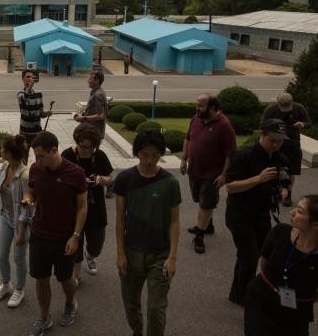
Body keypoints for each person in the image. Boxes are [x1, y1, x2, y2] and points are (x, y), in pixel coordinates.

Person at [115, 130, 181, 336]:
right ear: (136, 152)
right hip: (132, 250)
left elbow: (175, 221)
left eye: (155, 155)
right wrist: (120, 253)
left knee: (156, 308)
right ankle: (137, 331)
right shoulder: (125, 179)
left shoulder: (170, 183)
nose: (150, 160)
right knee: (131, 303)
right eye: (145, 154)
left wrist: (172, 257)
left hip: (160, 253)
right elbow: (119, 219)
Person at [23, 131, 87, 336]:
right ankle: (44, 317)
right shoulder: (36, 169)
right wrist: (28, 199)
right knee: (41, 278)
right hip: (39, 233)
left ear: (54, 150)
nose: (38, 160)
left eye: (41, 155)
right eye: (35, 156)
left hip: (64, 237)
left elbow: (82, 207)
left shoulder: (75, 173)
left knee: (65, 278)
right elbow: (31, 189)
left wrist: (75, 236)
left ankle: (70, 302)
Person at [225, 118, 291, 306]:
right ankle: (241, 296)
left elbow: (286, 183)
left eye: (280, 141)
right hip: (240, 214)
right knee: (249, 257)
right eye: (273, 140)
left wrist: (283, 192)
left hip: (262, 214)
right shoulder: (243, 156)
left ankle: (247, 290)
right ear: (261, 135)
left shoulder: (280, 158)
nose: (276, 144)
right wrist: (259, 179)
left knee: (264, 254)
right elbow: (230, 186)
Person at [243, 195, 318, 336]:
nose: (292, 212)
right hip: (260, 300)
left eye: (300, 211)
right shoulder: (280, 232)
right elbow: (264, 262)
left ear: (316, 225)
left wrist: (300, 298)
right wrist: (274, 286)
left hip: (297, 312)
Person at [180, 94, 237, 254]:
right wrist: (184, 159)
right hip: (194, 170)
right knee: (199, 199)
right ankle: (208, 224)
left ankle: (200, 236)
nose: (197, 108)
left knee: (206, 203)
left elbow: (230, 154)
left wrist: (224, 175)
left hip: (212, 174)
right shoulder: (196, 119)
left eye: (201, 106)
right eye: (196, 105)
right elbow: (187, 139)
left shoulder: (224, 125)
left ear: (212, 108)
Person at [61, 123, 114, 285]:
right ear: (77, 141)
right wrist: (76, 182)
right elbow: (59, 178)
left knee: (97, 243)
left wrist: (102, 180)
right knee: (76, 240)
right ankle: (76, 275)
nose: (86, 150)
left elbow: (111, 177)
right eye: (83, 146)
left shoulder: (100, 156)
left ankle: (91, 256)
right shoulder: (67, 155)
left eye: (90, 148)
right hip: (73, 208)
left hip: (96, 208)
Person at [0, 134, 32, 308]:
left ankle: (19, 289)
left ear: (10, 153)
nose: (0, 151)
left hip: (20, 221)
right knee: (1, 254)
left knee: (19, 258)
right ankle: (6, 284)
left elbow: (28, 207)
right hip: (5, 216)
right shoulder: (5, 166)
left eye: (2, 149)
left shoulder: (25, 176)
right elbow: (7, 190)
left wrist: (21, 232)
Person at [260, 93, 311, 207]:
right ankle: (274, 191)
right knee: (273, 168)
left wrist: (302, 124)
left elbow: (308, 123)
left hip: (293, 143)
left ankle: (288, 194)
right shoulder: (271, 109)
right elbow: (262, 124)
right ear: (277, 103)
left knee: (291, 170)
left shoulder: (299, 108)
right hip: (275, 143)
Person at [17, 69, 52, 164]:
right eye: (27, 77)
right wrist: (29, 88)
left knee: (40, 157)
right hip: (25, 132)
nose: (30, 79)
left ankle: (39, 174)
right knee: (24, 157)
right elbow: (24, 100)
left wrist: (46, 113)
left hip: (37, 131)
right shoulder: (20, 94)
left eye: (32, 77)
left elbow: (40, 113)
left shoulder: (38, 93)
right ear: (23, 79)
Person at [74, 70, 108, 140]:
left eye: (90, 79)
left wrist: (84, 118)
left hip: (94, 133)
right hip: (90, 130)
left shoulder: (98, 95)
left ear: (97, 81)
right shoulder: (94, 92)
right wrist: (83, 116)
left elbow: (100, 115)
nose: (88, 81)